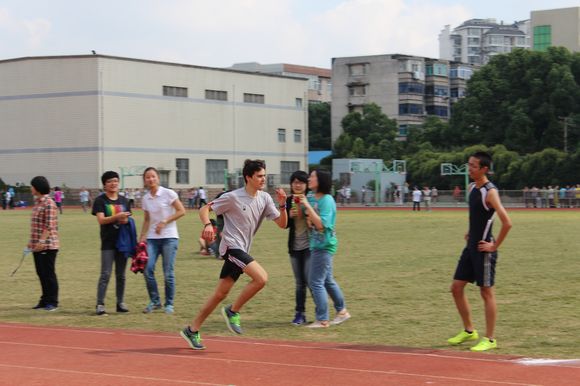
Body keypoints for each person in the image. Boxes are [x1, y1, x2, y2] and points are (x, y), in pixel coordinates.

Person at [180, 159, 287, 350]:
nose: (263, 179)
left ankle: (192, 329)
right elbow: (205, 208)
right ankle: (233, 310)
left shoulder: (264, 199)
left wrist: (283, 205)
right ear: (248, 177)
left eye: (264, 176)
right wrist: (207, 225)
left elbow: (282, 224)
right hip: (231, 247)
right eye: (260, 176)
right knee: (261, 278)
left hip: (242, 249)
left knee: (220, 294)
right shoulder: (233, 197)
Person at [448, 152, 512, 352]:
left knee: (486, 292)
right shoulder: (471, 188)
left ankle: (490, 339)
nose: (470, 169)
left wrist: (494, 246)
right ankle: (469, 331)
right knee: (456, 288)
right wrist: (471, 232)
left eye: (474, 166)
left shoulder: (490, 191)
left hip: (484, 249)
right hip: (470, 248)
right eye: (469, 165)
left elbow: (507, 222)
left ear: (484, 169)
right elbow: (479, 216)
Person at [298, 169, 350, 329]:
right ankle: (342, 312)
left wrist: (306, 205)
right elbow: (308, 219)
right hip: (316, 243)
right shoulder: (312, 197)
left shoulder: (327, 200)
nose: (309, 178)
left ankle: (322, 319)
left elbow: (322, 225)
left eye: (312, 176)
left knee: (315, 282)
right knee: (327, 280)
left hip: (324, 245)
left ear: (321, 180)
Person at [139, 167, 186, 314]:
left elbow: (181, 211)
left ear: (158, 178)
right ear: (144, 180)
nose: (151, 179)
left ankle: (169, 303)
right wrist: (142, 237)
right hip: (152, 239)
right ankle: (155, 301)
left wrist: (165, 221)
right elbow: (147, 219)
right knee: (147, 269)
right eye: (148, 177)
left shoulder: (168, 193)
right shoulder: (145, 198)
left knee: (168, 272)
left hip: (169, 237)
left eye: (153, 176)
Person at [92, 171, 132, 316]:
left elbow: (128, 219)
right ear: (104, 184)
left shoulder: (124, 201)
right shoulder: (100, 201)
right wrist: (117, 217)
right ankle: (100, 304)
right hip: (108, 242)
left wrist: (124, 219)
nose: (113, 183)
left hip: (122, 242)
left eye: (115, 181)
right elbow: (101, 220)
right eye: (109, 181)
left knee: (121, 275)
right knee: (105, 274)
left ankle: (120, 303)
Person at [28, 176, 60, 311]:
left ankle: (52, 301)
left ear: (37, 187)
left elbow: (49, 225)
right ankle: (44, 299)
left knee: (48, 273)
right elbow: (36, 225)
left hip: (48, 245)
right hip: (37, 245)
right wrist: (31, 243)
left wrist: (41, 241)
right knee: (41, 273)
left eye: (32, 186)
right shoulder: (38, 202)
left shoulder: (49, 203)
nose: (31, 188)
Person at [285, 170, 311, 325]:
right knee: (300, 282)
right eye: (295, 182)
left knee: (312, 281)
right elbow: (285, 225)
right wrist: (289, 215)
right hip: (294, 247)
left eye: (301, 182)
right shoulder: (289, 200)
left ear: (306, 185)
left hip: (310, 246)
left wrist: (307, 211)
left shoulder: (311, 199)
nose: (298, 185)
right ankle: (300, 314)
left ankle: (321, 312)